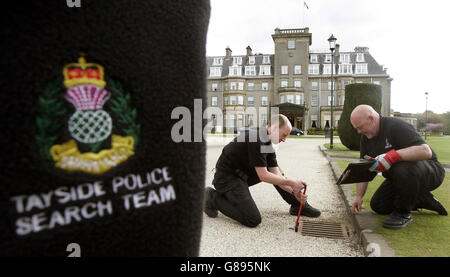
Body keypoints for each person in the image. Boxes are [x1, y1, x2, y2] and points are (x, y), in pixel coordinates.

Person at [204, 114, 321, 227]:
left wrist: (294, 192)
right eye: (284, 135)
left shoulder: (268, 143)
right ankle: (211, 197)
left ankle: (297, 205)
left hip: (241, 176)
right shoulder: (256, 139)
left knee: (277, 177)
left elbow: (275, 173)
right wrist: (291, 182)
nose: (285, 140)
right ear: (274, 128)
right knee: (252, 219)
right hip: (226, 179)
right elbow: (263, 176)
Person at [350, 105, 447, 230]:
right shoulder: (365, 139)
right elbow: (365, 168)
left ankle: (403, 214)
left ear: (371, 118)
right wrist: (359, 196)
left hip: (430, 171)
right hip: (400, 178)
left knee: (402, 166)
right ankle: (421, 199)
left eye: (360, 127)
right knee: (379, 205)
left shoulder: (396, 126)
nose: (359, 131)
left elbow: (425, 151)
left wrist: (392, 156)